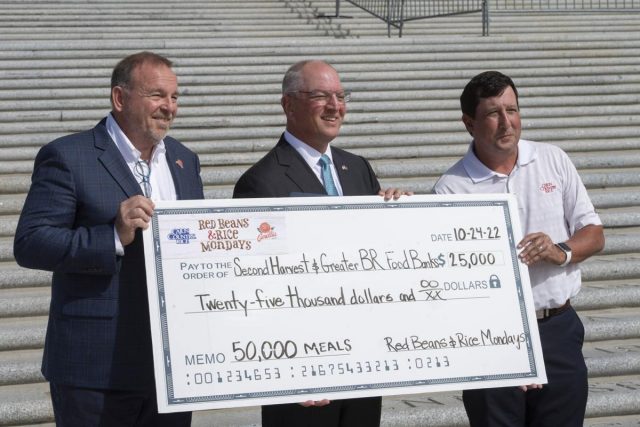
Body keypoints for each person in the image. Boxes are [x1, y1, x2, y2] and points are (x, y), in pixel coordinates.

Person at [14, 51, 204, 426]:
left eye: (175, 97)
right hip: (96, 369)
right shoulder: (69, 156)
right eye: (157, 95)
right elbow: (31, 242)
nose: (169, 107)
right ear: (120, 98)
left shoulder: (184, 159)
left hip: (172, 367)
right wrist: (112, 236)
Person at [234, 59, 405, 427]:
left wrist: (398, 214)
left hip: (362, 360)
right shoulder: (259, 183)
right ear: (288, 104)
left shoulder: (357, 167)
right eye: (320, 96)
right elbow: (255, 288)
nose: (335, 106)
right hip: (302, 373)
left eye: (340, 96)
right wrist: (288, 372)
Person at [433, 70, 604, 426]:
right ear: (469, 123)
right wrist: (508, 347)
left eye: (512, 110)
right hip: (491, 337)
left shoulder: (552, 159)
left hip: (557, 329)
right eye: (493, 113)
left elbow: (593, 232)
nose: (506, 123)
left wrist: (562, 251)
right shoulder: (451, 189)